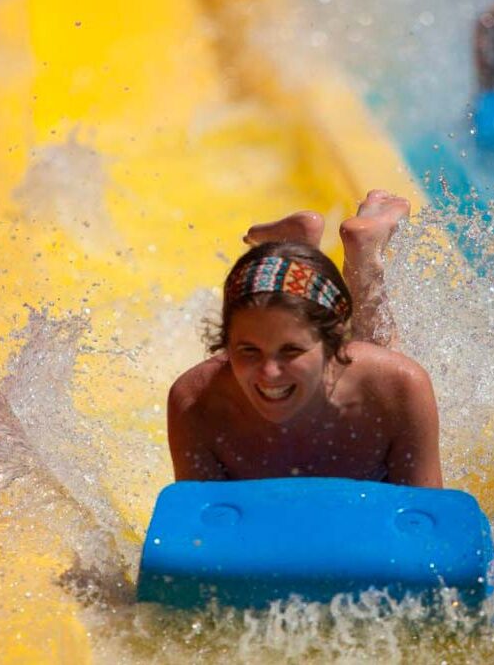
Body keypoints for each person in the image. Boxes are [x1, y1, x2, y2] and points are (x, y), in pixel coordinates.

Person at [167, 191, 443, 488]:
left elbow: (424, 519)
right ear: (226, 343)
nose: (269, 372)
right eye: (248, 350)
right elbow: (200, 529)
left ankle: (364, 256)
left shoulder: (399, 385)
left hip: (365, 374)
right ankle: (296, 249)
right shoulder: (196, 403)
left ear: (334, 343)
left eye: (291, 351)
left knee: (379, 351)